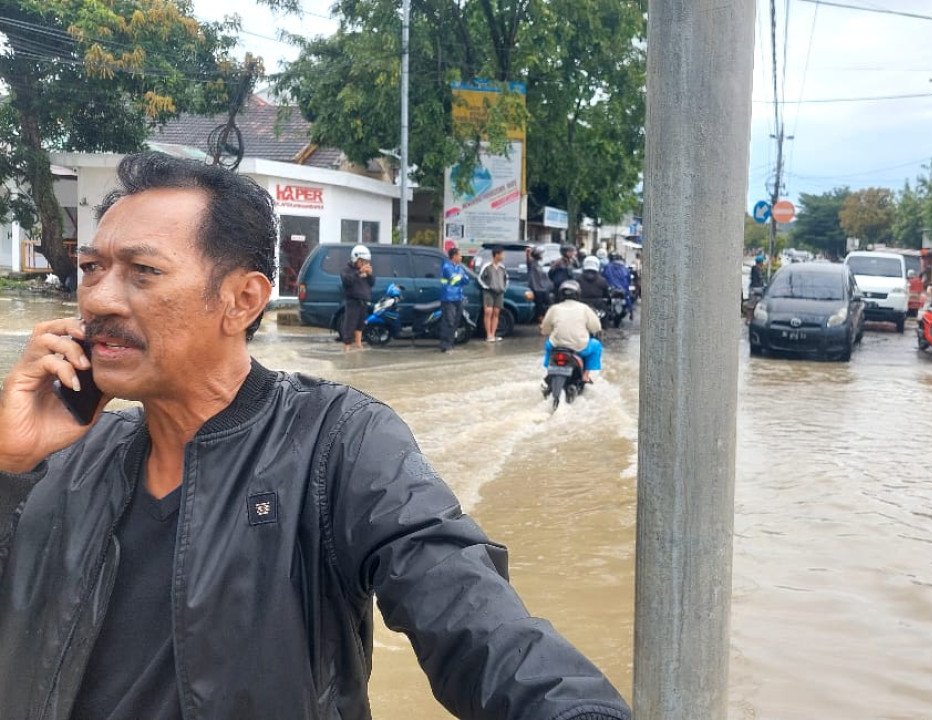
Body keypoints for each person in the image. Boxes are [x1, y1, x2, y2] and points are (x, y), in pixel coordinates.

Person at [0, 153, 630, 719]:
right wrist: (9, 467)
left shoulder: (338, 443)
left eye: (142, 272)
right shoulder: (64, 454)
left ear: (243, 301)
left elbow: (471, 617)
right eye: (91, 267)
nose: (100, 298)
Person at [541, 280, 604, 383]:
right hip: (579, 348)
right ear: (578, 294)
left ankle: (547, 371)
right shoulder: (585, 308)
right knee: (596, 345)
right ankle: (586, 375)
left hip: (556, 347)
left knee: (548, 345)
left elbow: (544, 330)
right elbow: (596, 328)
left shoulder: (554, 308)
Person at [340, 244, 375, 352]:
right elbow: (347, 281)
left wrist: (370, 275)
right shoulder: (347, 270)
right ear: (356, 259)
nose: (365, 263)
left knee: (360, 325)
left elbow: (372, 283)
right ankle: (346, 348)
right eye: (362, 261)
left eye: (366, 261)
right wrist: (359, 272)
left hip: (363, 301)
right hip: (352, 301)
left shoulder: (365, 270)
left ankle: (358, 345)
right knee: (350, 325)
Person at [440, 246, 471, 352]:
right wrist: (461, 277)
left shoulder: (460, 268)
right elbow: (454, 279)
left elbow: (467, 280)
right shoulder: (446, 267)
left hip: (458, 297)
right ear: (454, 256)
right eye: (460, 255)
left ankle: (451, 343)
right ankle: (445, 345)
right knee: (449, 321)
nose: (461, 257)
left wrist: (460, 277)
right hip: (448, 298)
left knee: (456, 322)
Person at [479, 247, 509, 342]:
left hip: (499, 292)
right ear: (496, 255)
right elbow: (480, 278)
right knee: (488, 312)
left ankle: (493, 333)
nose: (503, 256)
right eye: (502, 254)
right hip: (489, 292)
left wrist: (504, 288)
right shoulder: (487, 266)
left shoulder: (502, 267)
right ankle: (488, 335)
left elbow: (506, 278)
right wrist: (486, 287)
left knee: (496, 313)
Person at [526, 246, 553, 321]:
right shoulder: (532, 263)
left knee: (549, 304)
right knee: (539, 307)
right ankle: (540, 320)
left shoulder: (540, 264)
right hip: (536, 288)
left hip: (543, 288)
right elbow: (528, 260)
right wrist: (528, 253)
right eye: (541, 254)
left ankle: (545, 318)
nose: (542, 256)